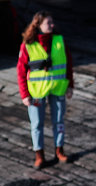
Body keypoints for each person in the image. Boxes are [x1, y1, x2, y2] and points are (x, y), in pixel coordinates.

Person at [17, 11, 73, 169]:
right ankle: (39, 155)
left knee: (59, 121)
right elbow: (21, 71)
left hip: (58, 87)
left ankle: (59, 150)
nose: (52, 25)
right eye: (48, 23)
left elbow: (68, 65)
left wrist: (70, 86)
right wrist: (24, 95)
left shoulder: (59, 41)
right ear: (38, 25)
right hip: (36, 91)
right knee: (37, 124)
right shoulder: (28, 45)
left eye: (52, 22)